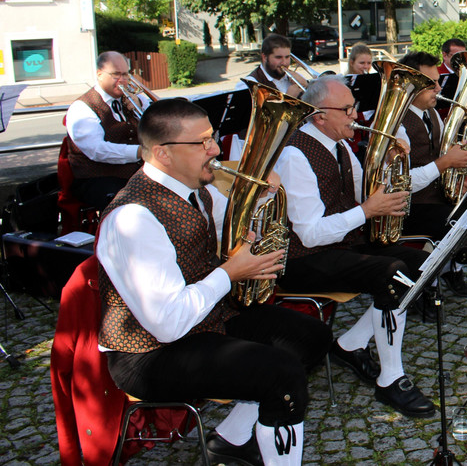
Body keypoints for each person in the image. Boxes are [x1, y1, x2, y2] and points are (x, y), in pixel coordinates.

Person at [96, 98, 331, 466]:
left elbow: (234, 234)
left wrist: (260, 200)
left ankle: (232, 439)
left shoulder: (195, 188)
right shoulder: (132, 218)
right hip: (148, 354)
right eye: (202, 142)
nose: (216, 149)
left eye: (212, 137)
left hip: (204, 320)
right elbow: (167, 324)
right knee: (280, 374)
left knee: (311, 336)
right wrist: (230, 273)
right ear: (163, 153)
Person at [273, 76, 436, 418]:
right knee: (391, 274)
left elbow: (365, 194)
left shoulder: (341, 145)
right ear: (319, 115)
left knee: (423, 263)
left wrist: (392, 166)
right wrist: (366, 211)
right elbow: (310, 234)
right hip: (304, 259)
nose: (355, 115)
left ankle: (348, 343)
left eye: (354, 107)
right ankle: (390, 379)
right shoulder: (294, 156)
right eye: (346, 109)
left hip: (341, 245)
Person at [395, 51, 467, 296]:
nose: (439, 88)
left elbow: (442, 155)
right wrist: (445, 163)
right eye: (431, 84)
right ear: (412, 86)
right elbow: (403, 182)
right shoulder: (398, 123)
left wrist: (458, 173)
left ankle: (449, 267)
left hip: (436, 197)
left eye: (438, 81)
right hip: (411, 206)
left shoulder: (432, 114)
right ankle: (426, 286)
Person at [64, 51, 146, 211]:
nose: (123, 80)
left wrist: (142, 107)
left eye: (125, 74)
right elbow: (97, 150)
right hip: (97, 178)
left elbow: (161, 125)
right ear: (99, 74)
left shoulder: (132, 99)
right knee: (135, 206)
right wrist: (140, 152)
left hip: (135, 173)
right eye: (116, 74)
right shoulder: (82, 107)